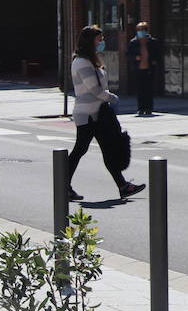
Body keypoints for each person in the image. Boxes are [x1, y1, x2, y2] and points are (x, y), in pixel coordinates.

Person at [69, 25, 146, 202]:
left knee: (107, 149)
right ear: (90, 41)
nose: (101, 42)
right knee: (80, 149)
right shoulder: (82, 62)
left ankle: (123, 186)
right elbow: (94, 89)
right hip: (88, 114)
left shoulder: (89, 60)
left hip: (97, 113)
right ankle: (63, 184)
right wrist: (112, 97)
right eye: (99, 39)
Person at [125, 21, 162, 116]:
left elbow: (158, 54)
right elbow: (128, 55)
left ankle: (149, 108)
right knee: (140, 89)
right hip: (138, 68)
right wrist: (135, 57)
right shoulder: (133, 42)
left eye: (142, 30)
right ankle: (141, 108)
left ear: (146, 31)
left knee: (149, 89)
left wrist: (155, 61)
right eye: (139, 30)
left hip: (149, 68)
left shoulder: (152, 42)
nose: (140, 32)